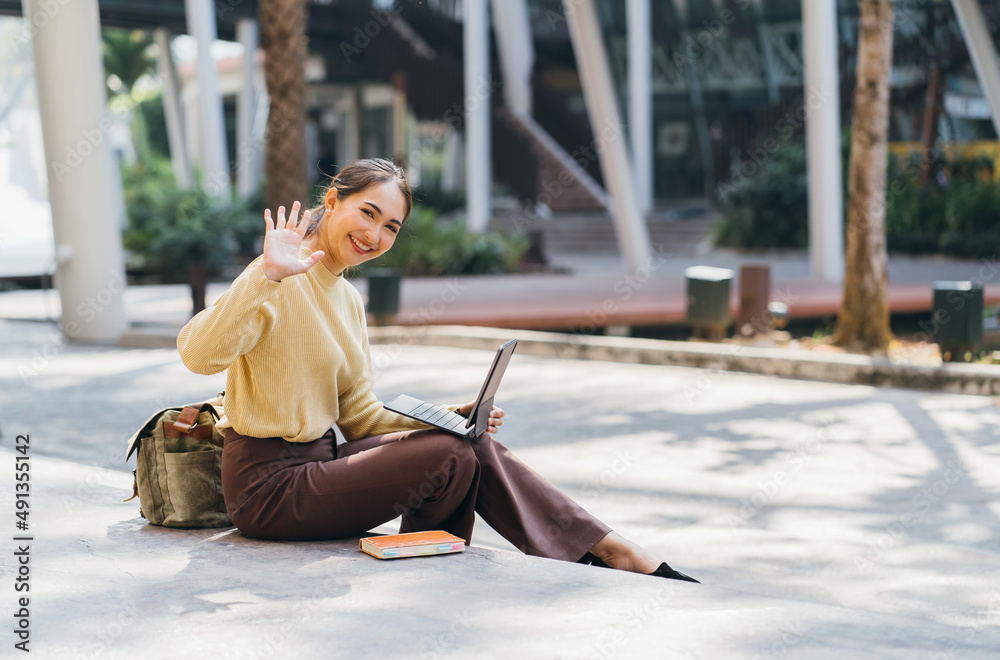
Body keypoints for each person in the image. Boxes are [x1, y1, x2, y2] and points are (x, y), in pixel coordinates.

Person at [177, 158, 698, 583]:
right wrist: (264, 276)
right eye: (367, 213)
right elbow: (199, 355)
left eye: (391, 227)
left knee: (464, 444)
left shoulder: (349, 301)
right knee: (452, 455)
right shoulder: (274, 275)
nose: (374, 235)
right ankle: (604, 549)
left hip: (322, 460)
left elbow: (359, 418)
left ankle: (468, 560)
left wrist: (451, 415)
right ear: (332, 200)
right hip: (266, 488)